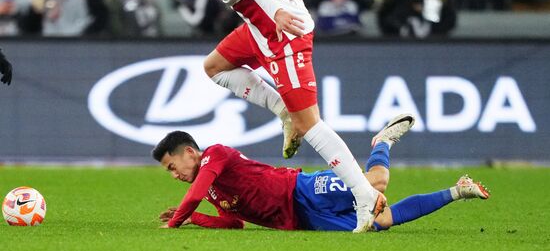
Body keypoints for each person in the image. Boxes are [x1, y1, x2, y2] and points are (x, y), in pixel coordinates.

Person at [157, 0, 384, 232]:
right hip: (259, 29)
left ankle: (364, 196)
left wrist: (275, 11)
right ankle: (283, 111)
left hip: (282, 31)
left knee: (311, 125)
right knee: (215, 67)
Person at [153, 114, 490, 231]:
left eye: (172, 166)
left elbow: (194, 196)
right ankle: (458, 190)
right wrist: (192, 220)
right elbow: (234, 221)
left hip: (300, 189)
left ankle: (381, 143)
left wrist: (174, 220)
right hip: (301, 220)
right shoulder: (211, 190)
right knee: (382, 221)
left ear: (190, 153)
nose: (174, 175)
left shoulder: (215, 156)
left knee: (377, 182)